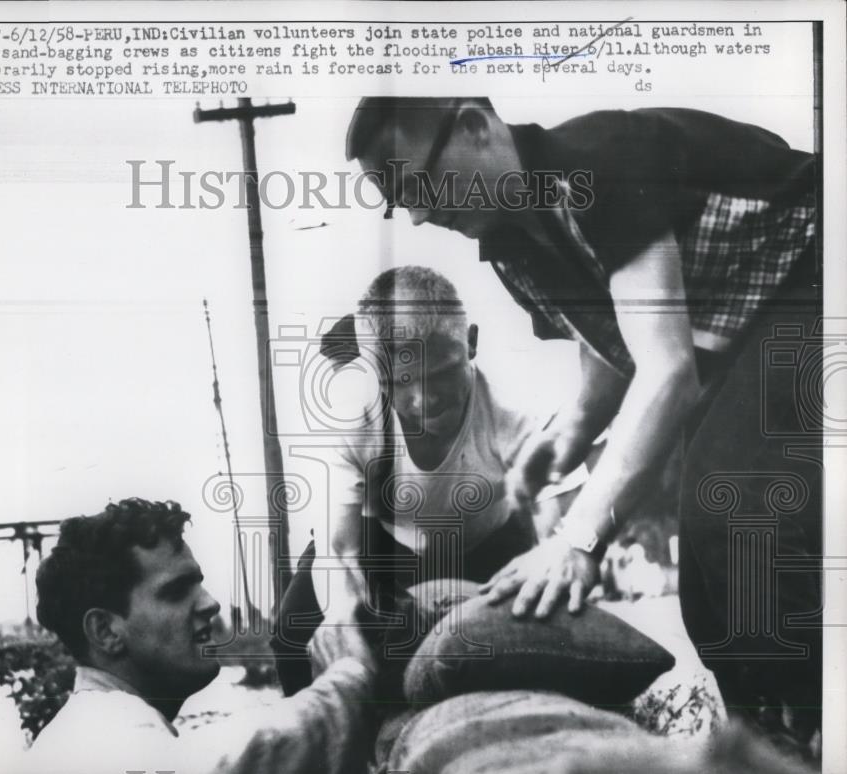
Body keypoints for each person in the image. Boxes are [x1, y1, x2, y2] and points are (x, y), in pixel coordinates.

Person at [344, 98, 822, 757]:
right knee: (708, 599)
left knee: (738, 509)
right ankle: (766, 742)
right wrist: (570, 432)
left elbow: (667, 370)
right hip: (745, 327)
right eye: (400, 202)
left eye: (417, 184)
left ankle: (820, 728)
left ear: (476, 128)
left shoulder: (597, 165)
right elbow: (610, 342)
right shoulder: (508, 242)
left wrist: (580, 540)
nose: (420, 213)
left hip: (819, 270)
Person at [271, 265, 574, 696]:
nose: (425, 399)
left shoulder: (517, 399)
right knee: (293, 633)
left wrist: (553, 567)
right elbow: (341, 551)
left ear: (470, 341)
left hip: (490, 544)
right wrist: (348, 630)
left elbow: (556, 514)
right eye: (401, 382)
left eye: (444, 371)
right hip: (385, 545)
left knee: (542, 638)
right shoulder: (348, 411)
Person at [23, 497, 377, 774]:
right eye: (176, 591)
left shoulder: (85, 727)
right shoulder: (103, 733)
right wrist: (354, 676)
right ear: (105, 631)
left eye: (200, 584)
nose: (211, 603)